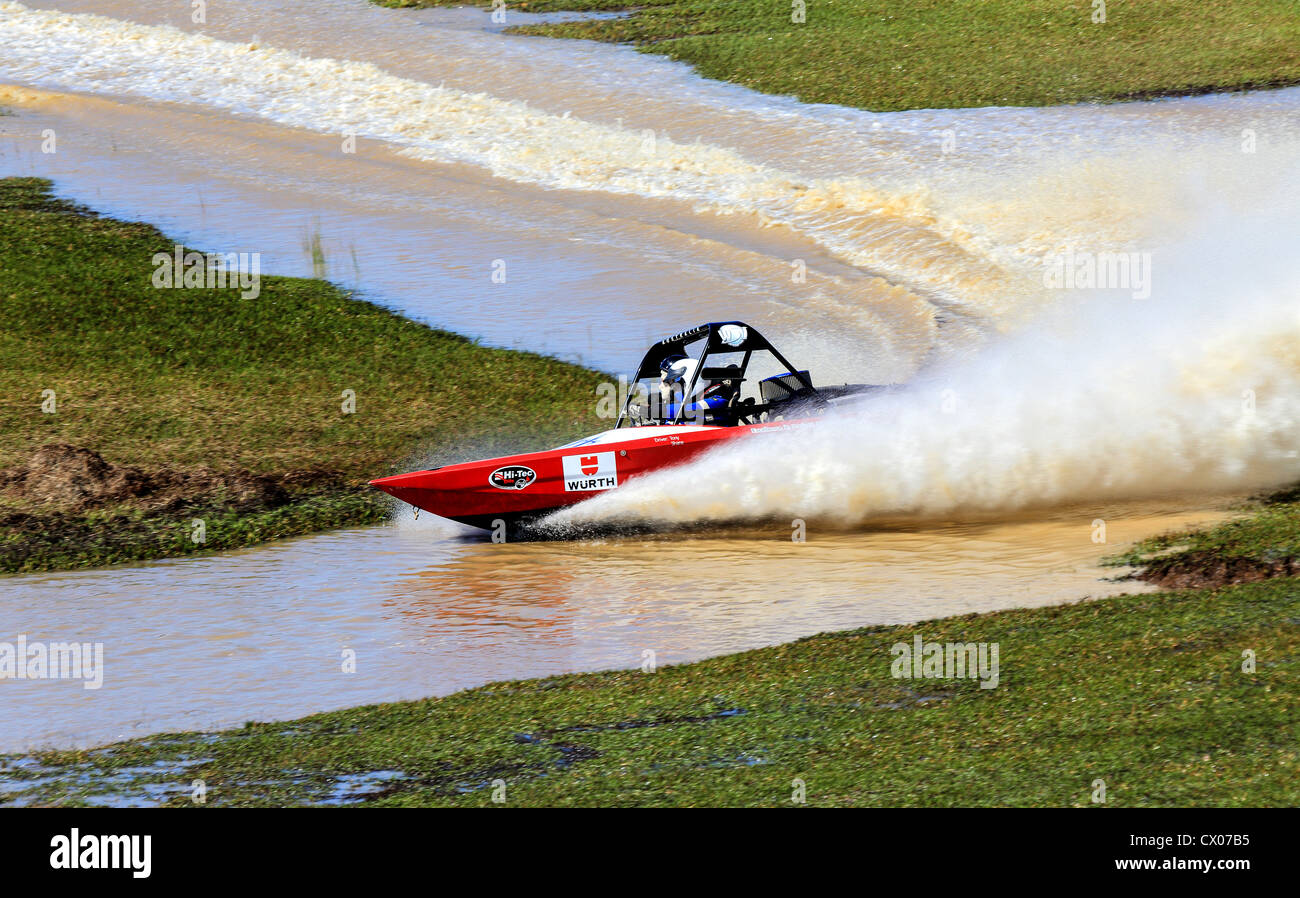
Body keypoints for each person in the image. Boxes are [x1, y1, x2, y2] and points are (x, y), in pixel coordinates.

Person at [659, 354, 738, 423]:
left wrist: (657, 410)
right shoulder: (692, 399)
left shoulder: (717, 399)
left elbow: (688, 409)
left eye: (677, 383)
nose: (674, 387)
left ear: (688, 380)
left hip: (719, 435)